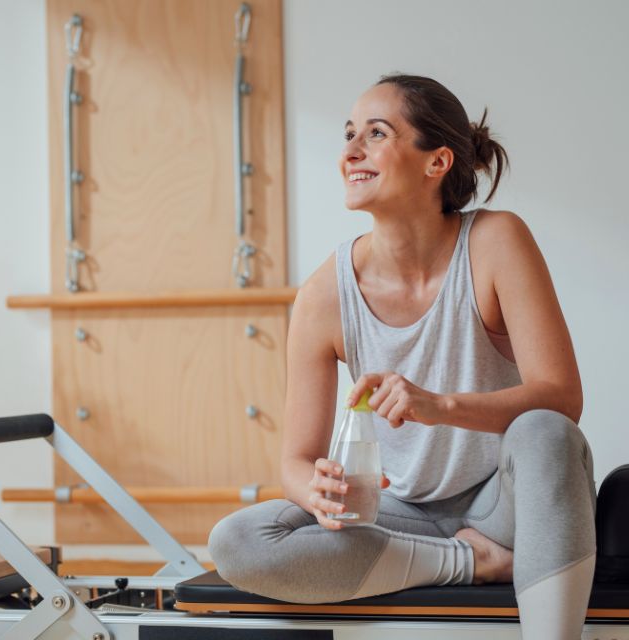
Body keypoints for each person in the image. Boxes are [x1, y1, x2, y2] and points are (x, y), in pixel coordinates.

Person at [208, 73, 597, 639]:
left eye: (375, 133)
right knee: (238, 541)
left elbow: (563, 400)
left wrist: (439, 405)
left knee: (545, 432)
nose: (351, 151)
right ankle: (472, 564)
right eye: (348, 135)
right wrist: (315, 490)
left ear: (435, 162)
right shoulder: (323, 295)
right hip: (401, 518)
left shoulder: (496, 243)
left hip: (508, 506)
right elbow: (295, 460)